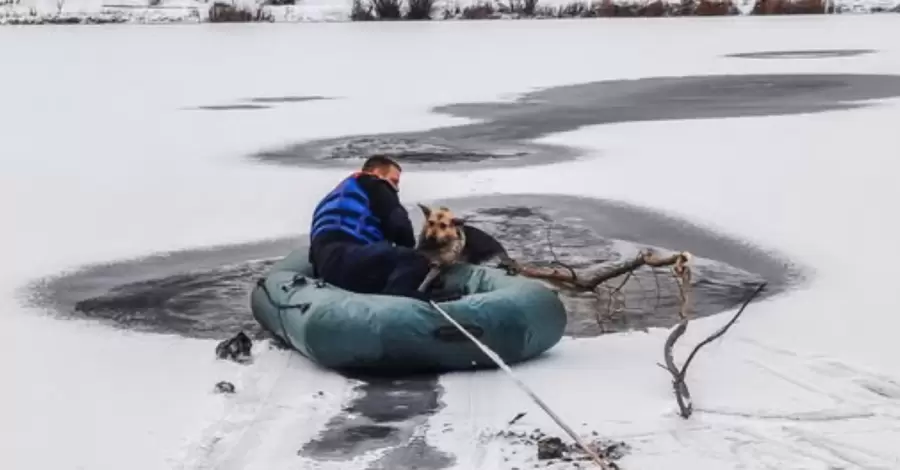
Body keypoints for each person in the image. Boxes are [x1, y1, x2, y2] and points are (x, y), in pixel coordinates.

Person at [308, 155, 433, 301]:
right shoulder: (376, 184)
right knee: (415, 260)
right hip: (350, 258)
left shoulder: (334, 196)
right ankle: (400, 302)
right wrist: (412, 253)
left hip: (324, 265)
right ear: (377, 173)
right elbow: (401, 227)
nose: (396, 189)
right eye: (394, 181)